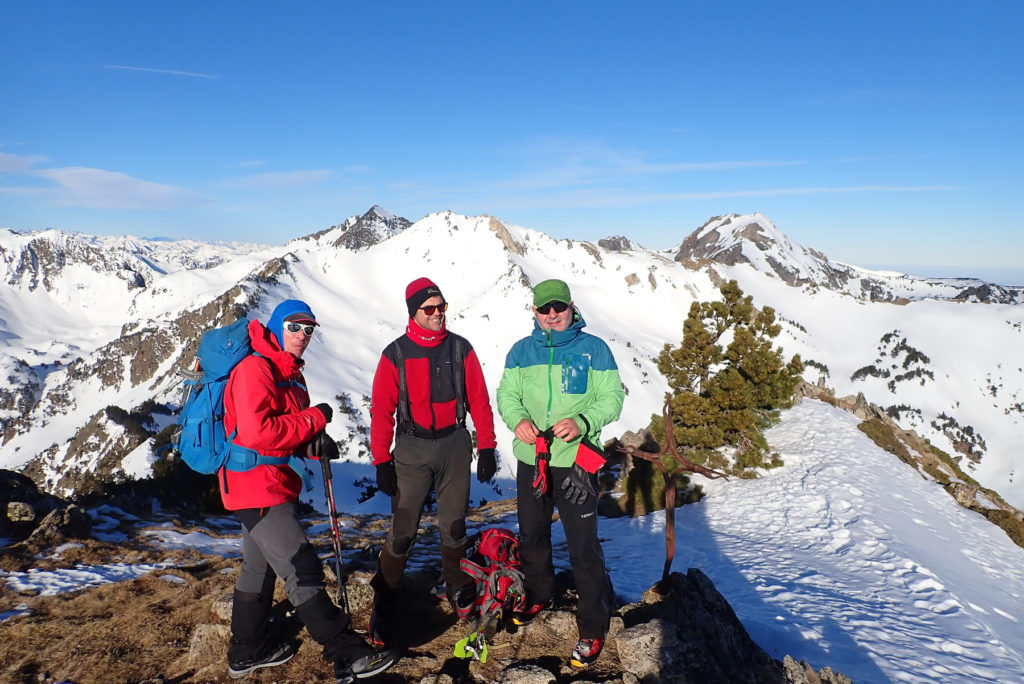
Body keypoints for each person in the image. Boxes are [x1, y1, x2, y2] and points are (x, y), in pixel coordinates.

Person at [221, 298, 397, 683]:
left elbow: (283, 427)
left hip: (270, 482)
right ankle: (347, 652)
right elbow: (259, 434)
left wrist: (311, 440)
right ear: (276, 326)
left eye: (309, 329)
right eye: (294, 327)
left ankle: (247, 650)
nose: (303, 335)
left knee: (258, 567)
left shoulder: (288, 372)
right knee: (301, 567)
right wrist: (315, 418)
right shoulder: (255, 369)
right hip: (256, 486)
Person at [495, 279, 625, 667]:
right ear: (533, 312)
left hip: (575, 459)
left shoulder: (594, 349)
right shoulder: (521, 351)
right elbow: (506, 395)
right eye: (543, 309)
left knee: (583, 546)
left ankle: (592, 627)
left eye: (558, 307)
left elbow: (613, 398)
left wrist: (584, 421)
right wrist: (517, 420)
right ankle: (539, 595)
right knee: (532, 533)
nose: (552, 315)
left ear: (571, 306)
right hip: (532, 457)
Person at [369, 277, 498, 646]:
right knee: (404, 528)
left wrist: (486, 446)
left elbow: (479, 400)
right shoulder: (395, 354)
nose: (438, 313)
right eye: (430, 309)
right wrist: (381, 460)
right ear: (414, 313)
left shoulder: (461, 349)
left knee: (454, 524)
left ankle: (458, 584)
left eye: (442, 307)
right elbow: (381, 411)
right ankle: (386, 594)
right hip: (412, 447)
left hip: (455, 445)